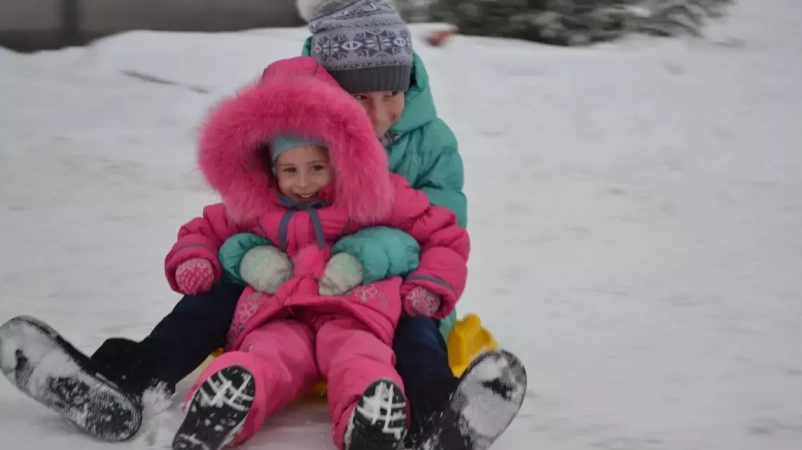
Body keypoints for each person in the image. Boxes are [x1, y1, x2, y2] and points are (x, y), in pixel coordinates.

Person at [0, 0, 527, 448]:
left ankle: (439, 414)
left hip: (383, 284)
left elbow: (441, 226)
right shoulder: (297, 135)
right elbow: (240, 213)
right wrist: (229, 257)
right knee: (205, 307)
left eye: (393, 92)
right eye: (359, 98)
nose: (381, 111)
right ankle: (124, 382)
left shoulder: (431, 143)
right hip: (283, 279)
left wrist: (370, 257)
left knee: (417, 337)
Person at [164, 55, 469, 450]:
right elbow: (203, 230)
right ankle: (224, 404)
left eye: (316, 167)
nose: (303, 182)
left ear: (338, 159)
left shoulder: (371, 193)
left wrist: (430, 283)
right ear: (272, 169)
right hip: (279, 310)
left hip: (354, 309)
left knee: (360, 356)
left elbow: (443, 233)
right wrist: (194, 258)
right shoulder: (256, 204)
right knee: (270, 355)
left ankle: (370, 418)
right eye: (289, 170)